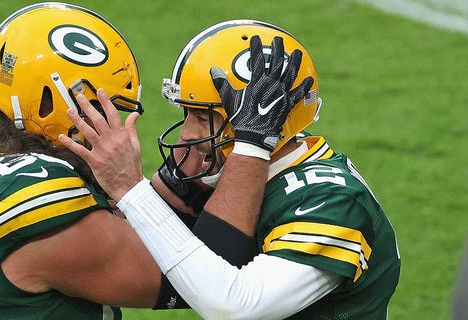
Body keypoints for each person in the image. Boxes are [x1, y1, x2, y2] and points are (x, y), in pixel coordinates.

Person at [60, 20, 401, 319]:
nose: (189, 134)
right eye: (188, 115)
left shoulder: (331, 201)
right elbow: (141, 238)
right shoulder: (246, 169)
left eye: (203, 117)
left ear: (265, 120)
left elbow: (233, 306)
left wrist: (132, 189)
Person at [0, 3, 164, 319]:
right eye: (98, 108)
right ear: (51, 102)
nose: (110, 125)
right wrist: (131, 184)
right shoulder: (35, 195)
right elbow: (189, 277)